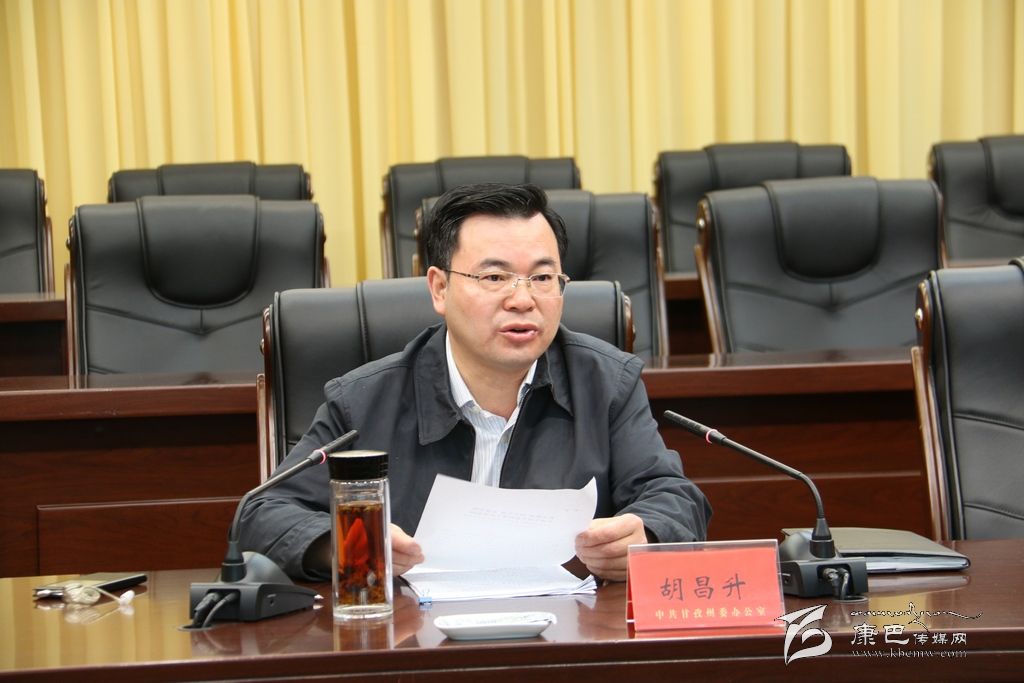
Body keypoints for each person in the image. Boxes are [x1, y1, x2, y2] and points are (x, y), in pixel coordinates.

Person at [238, 182, 710, 582]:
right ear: (439, 288)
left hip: (560, 636)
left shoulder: (607, 384)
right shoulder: (363, 401)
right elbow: (263, 513)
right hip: (411, 641)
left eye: (543, 277)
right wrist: (350, 545)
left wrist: (646, 533)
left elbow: (676, 498)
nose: (523, 299)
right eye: (495, 277)